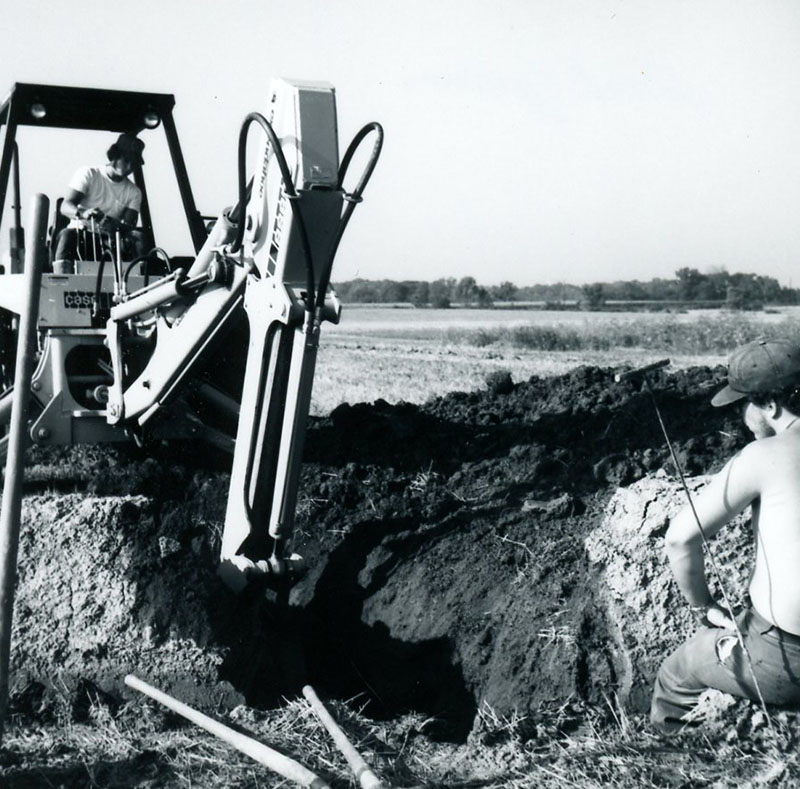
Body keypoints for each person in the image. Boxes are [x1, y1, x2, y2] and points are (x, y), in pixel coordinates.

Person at [651, 337, 800, 733]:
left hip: (788, 657)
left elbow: (680, 538)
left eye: (744, 404)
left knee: (675, 675)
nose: (742, 416)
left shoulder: (766, 455)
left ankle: (664, 761)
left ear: (771, 405)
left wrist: (704, 607)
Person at [52, 132, 145, 273]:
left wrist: (112, 224)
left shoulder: (134, 192)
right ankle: (62, 281)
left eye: (135, 163)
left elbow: (129, 224)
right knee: (67, 235)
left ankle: (142, 281)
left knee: (138, 238)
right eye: (126, 160)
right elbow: (65, 206)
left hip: (110, 239)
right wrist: (84, 213)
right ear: (115, 156)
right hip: (81, 235)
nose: (130, 166)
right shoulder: (89, 174)